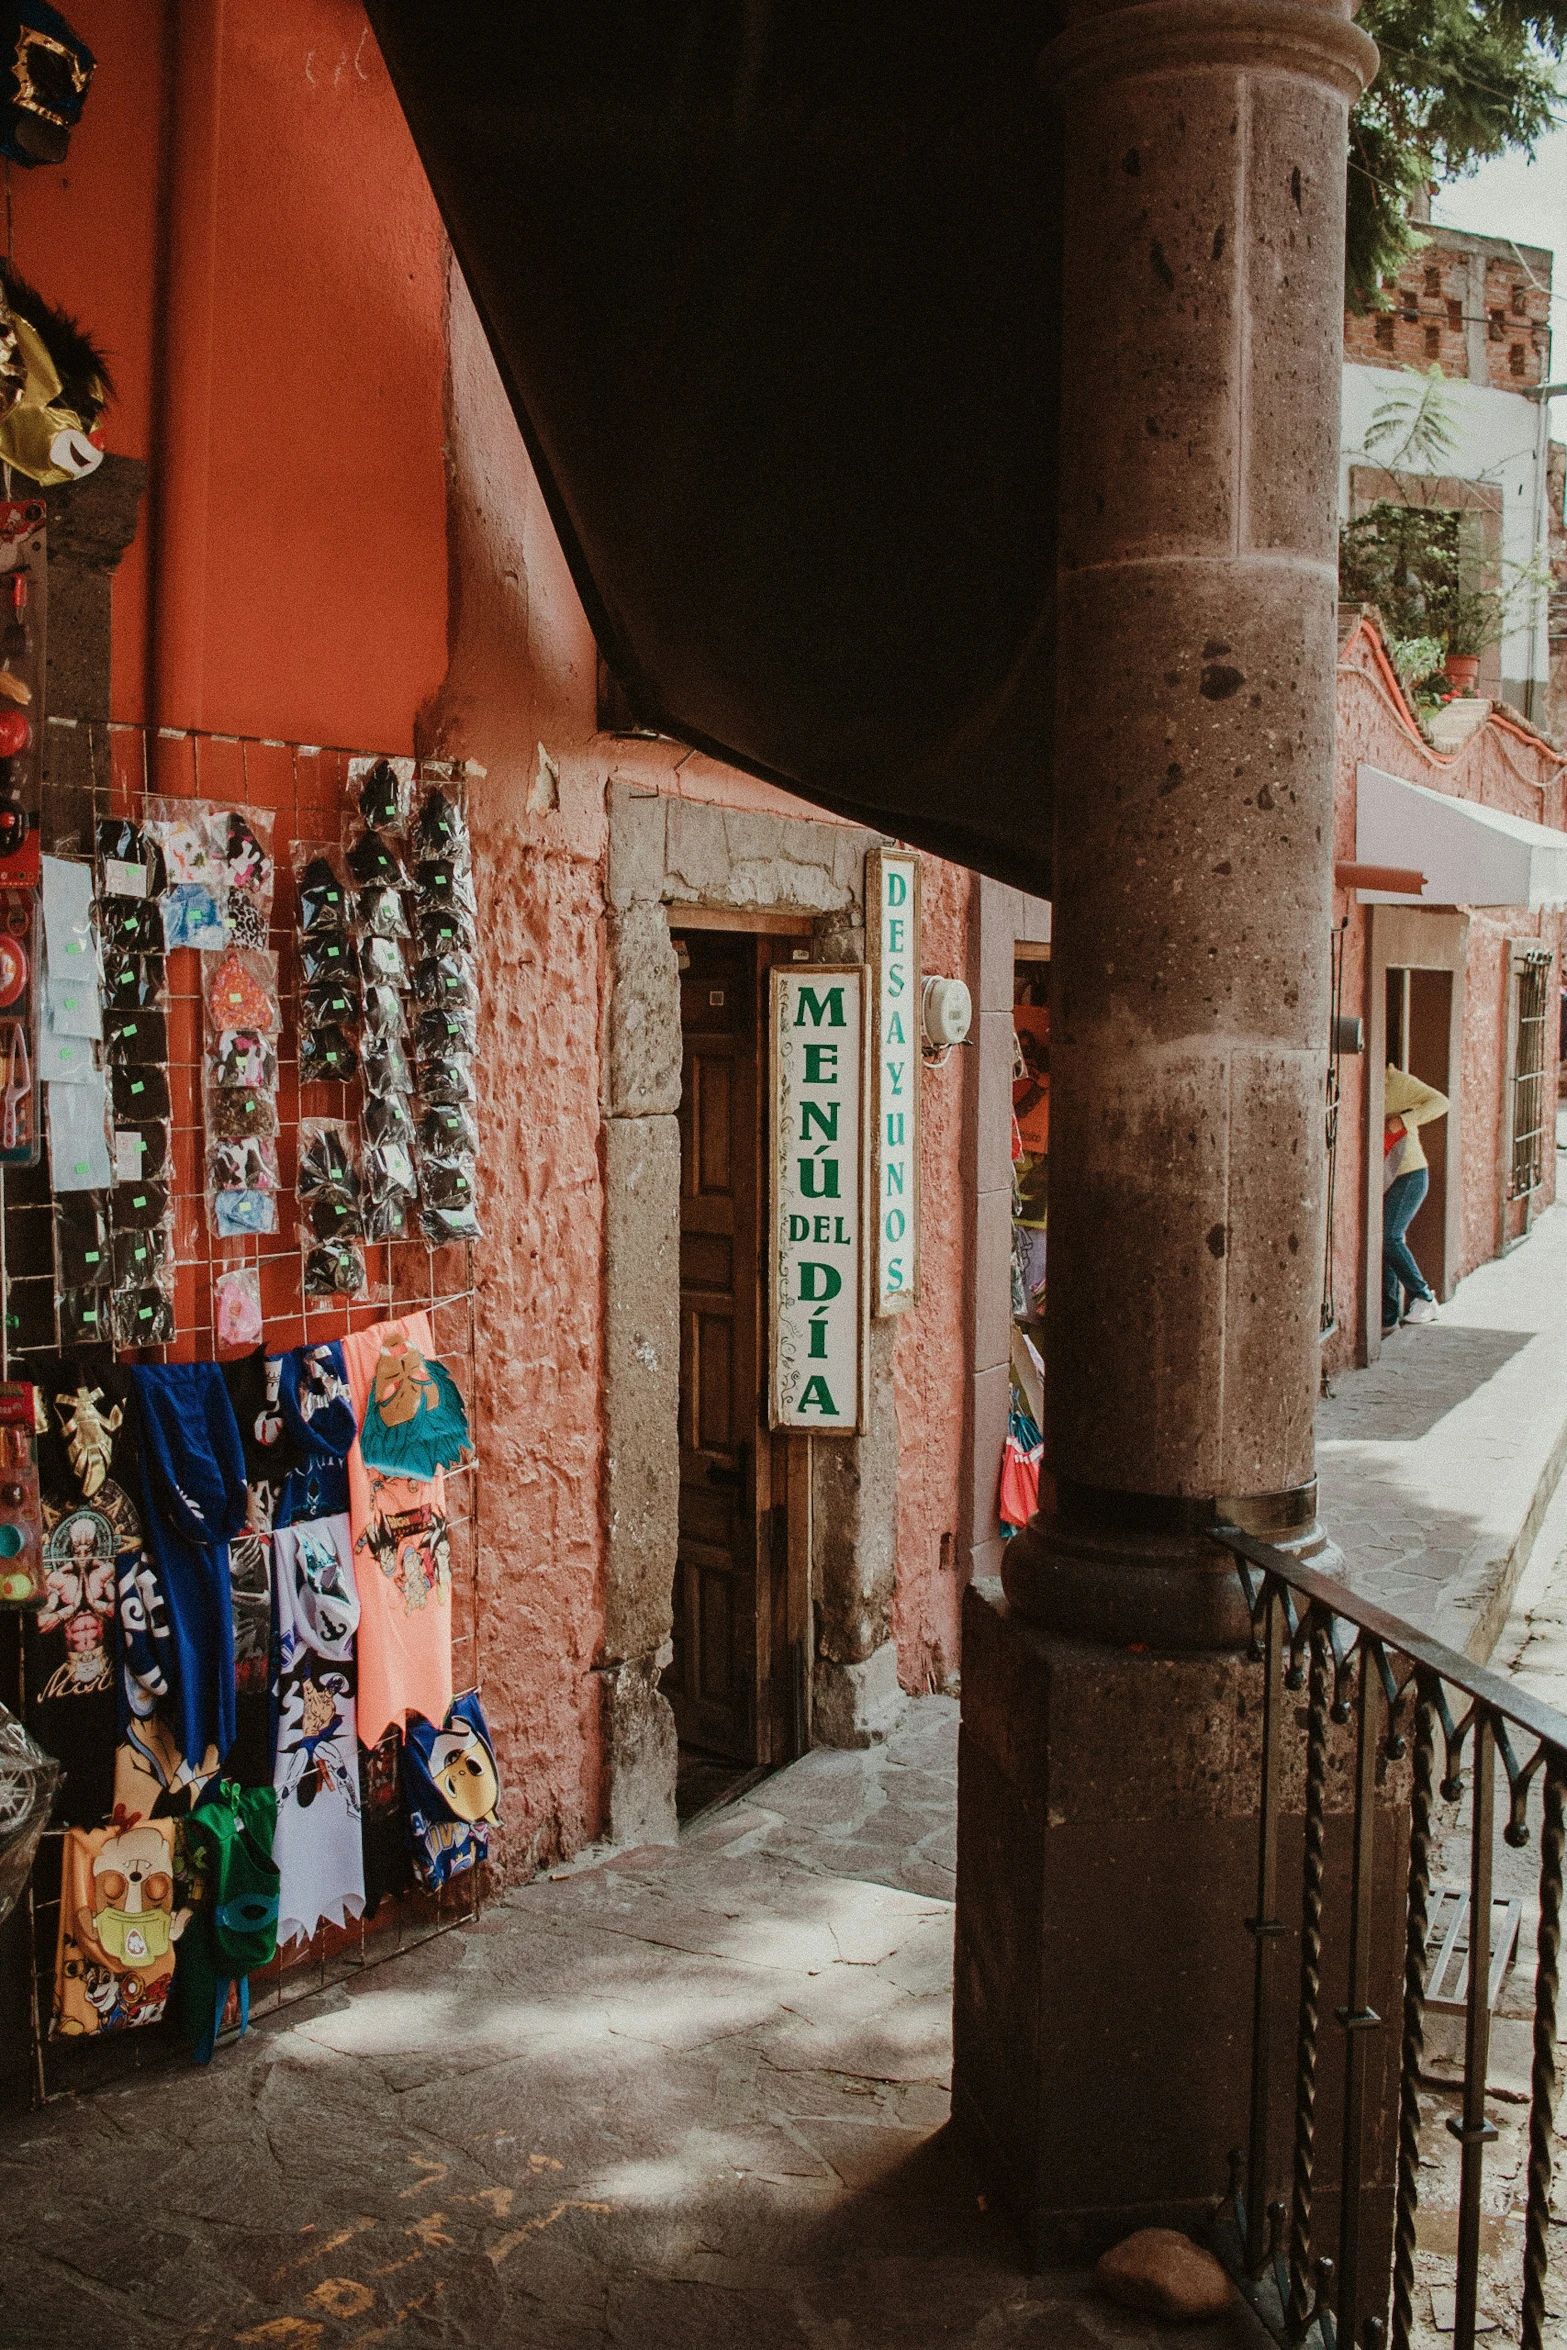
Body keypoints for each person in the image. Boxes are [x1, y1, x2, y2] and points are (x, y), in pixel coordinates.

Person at [1383, 1064, 1449, 1333]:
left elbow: (1441, 1102)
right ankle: (1387, 1317)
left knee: (1389, 1236)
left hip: (1410, 1175)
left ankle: (1424, 1297)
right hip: (1385, 1177)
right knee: (1383, 1242)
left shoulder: (1396, 1080)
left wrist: (1405, 1120)